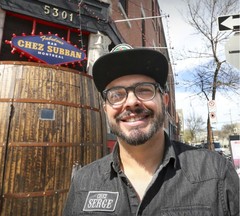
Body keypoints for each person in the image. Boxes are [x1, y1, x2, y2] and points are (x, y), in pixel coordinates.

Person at [63, 44, 239, 215]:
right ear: (106, 109)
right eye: (116, 94)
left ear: (165, 101)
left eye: (145, 90)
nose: (131, 102)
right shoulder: (83, 183)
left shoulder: (217, 173)